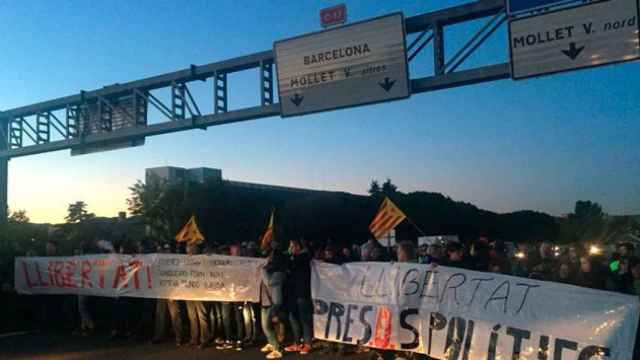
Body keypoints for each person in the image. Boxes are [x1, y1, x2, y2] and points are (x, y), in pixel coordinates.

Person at [152, 243, 186, 347]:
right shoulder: (158, 262)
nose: (162, 252)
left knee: (175, 315)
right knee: (160, 314)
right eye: (161, 250)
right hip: (161, 291)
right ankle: (159, 335)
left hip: (172, 292)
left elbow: (178, 276)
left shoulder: (174, 262)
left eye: (165, 250)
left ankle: (179, 337)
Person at [283, 239, 313, 355]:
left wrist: (290, 256)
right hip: (293, 294)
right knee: (293, 318)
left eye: (292, 246)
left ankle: (308, 344)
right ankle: (297, 342)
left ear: (298, 247)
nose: (290, 248)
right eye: (290, 246)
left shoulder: (304, 257)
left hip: (302, 293)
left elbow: (292, 265)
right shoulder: (294, 258)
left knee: (305, 319)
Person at [259, 243, 287, 359]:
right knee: (264, 326)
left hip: (274, 303)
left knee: (268, 325)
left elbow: (268, 282)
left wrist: (262, 269)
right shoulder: (269, 270)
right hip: (265, 301)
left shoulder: (279, 273)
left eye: (271, 257)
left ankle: (277, 349)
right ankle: (271, 343)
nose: (268, 259)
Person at [185, 242, 210, 349]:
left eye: (192, 248)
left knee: (201, 316)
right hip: (189, 292)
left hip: (199, 292)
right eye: (188, 248)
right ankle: (194, 339)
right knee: (192, 317)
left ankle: (204, 339)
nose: (190, 250)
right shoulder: (185, 261)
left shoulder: (202, 260)